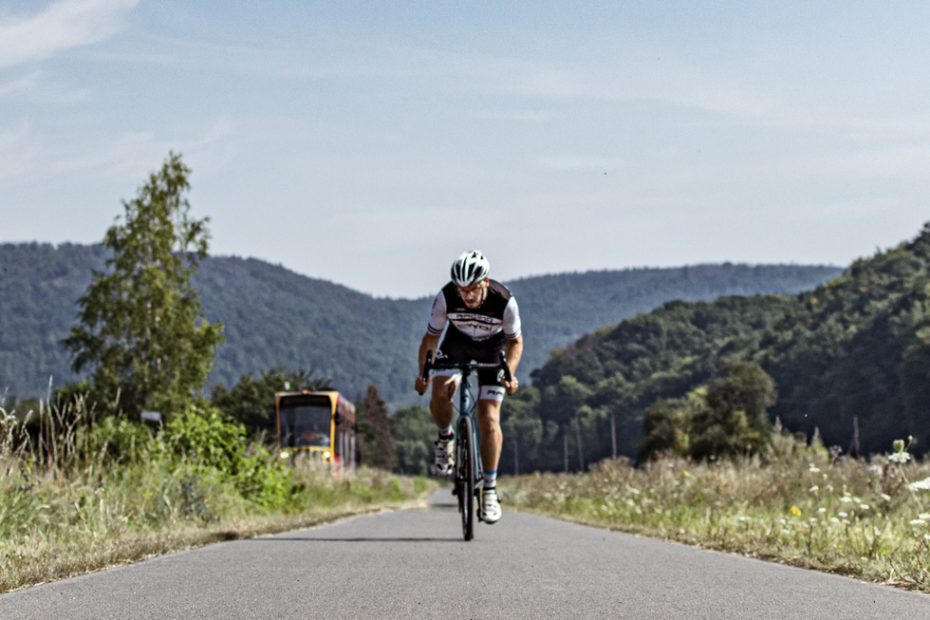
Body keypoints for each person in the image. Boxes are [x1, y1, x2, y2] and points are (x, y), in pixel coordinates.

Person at [414, 250, 523, 524]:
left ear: (485, 282)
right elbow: (430, 340)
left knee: (489, 419)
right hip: (457, 344)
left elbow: (515, 342)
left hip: (493, 348)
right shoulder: (446, 297)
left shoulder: (504, 302)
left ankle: (489, 489)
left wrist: (509, 374)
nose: (467, 296)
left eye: (472, 289)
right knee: (440, 392)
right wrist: (423, 375)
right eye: (462, 290)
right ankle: (445, 437)